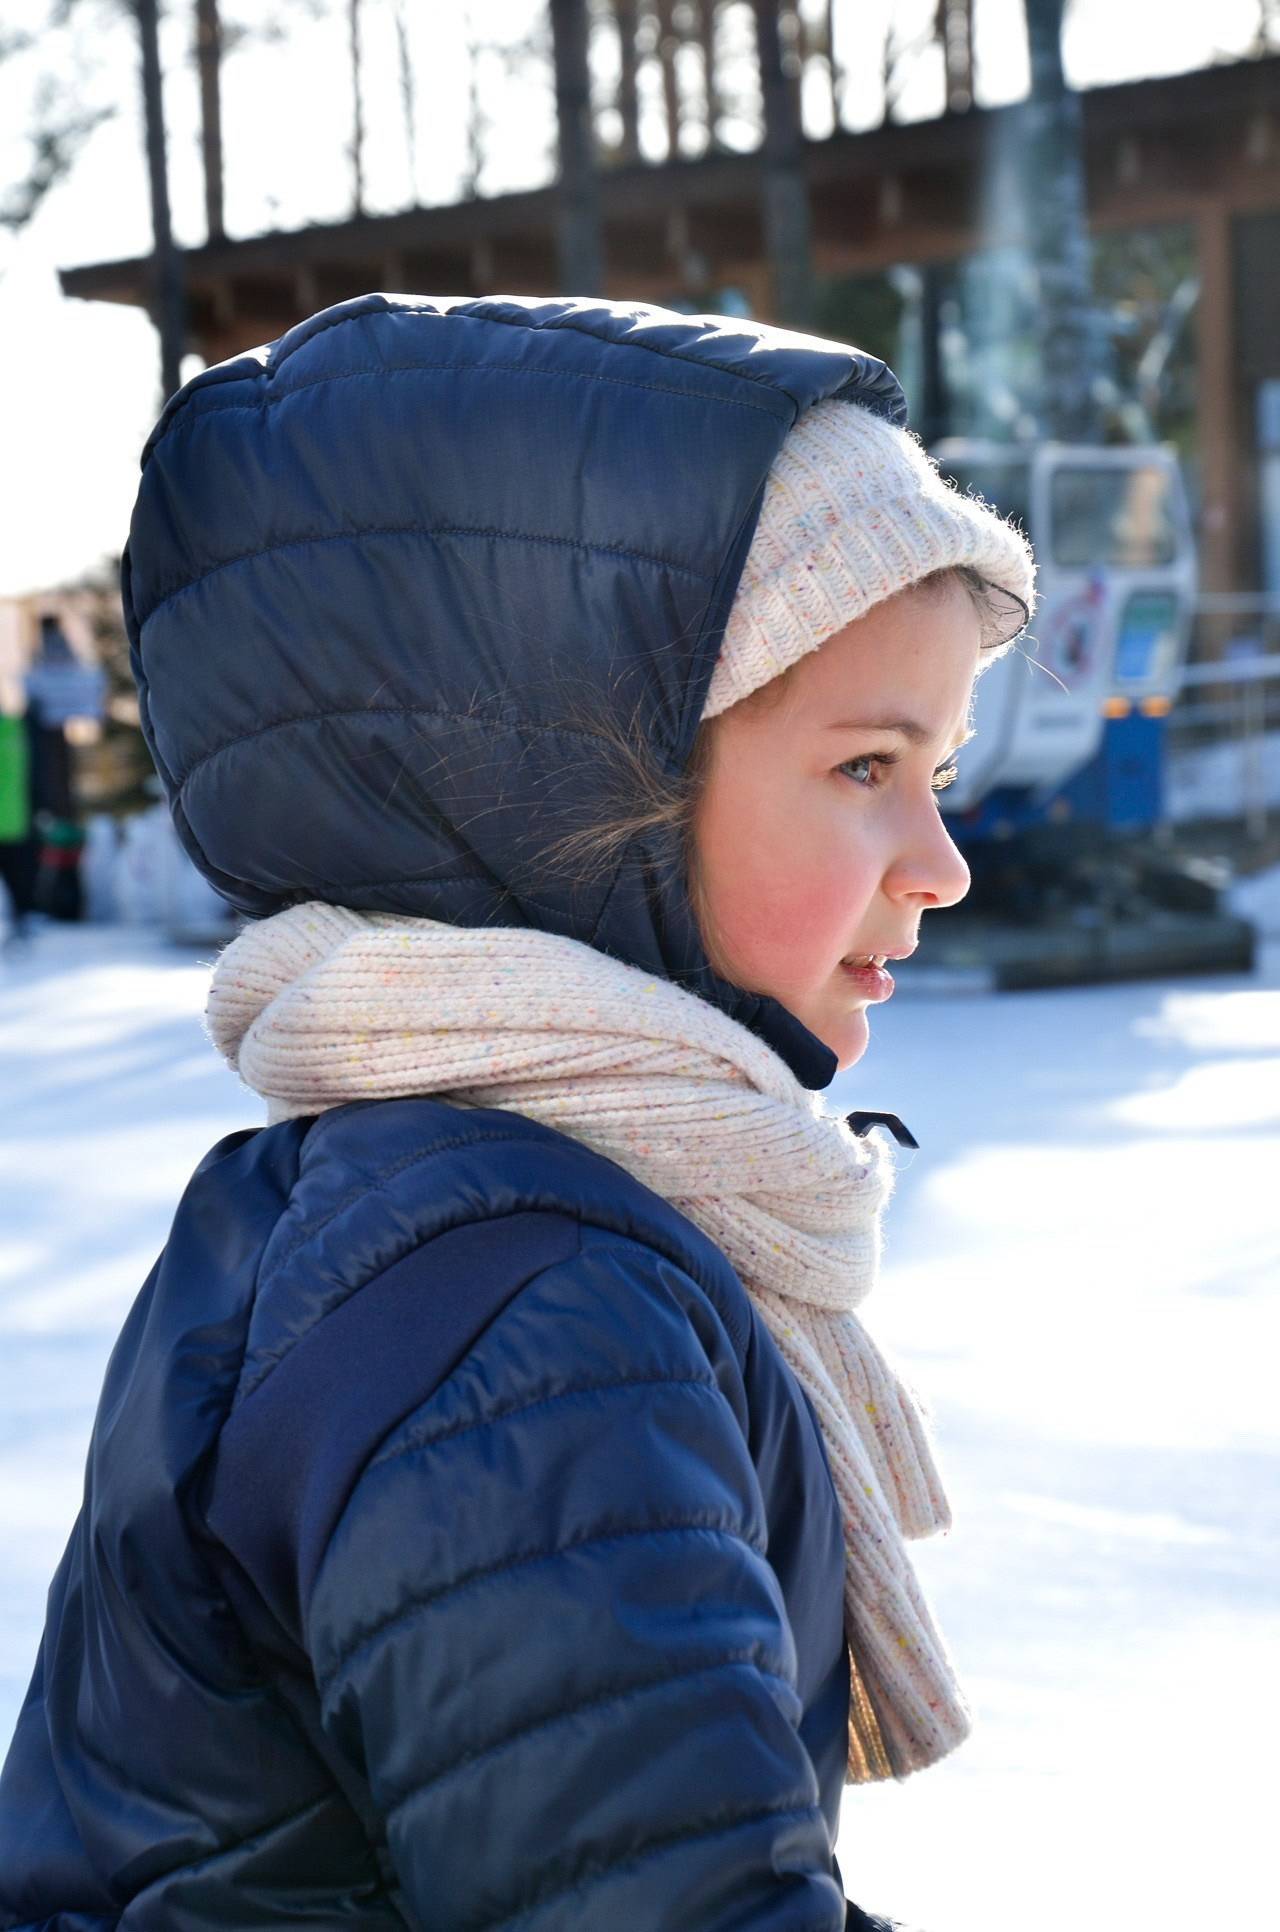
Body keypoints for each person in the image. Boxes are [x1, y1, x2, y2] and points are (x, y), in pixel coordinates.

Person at [0, 296, 1033, 1928]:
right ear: (568, 794)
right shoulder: (531, 1310)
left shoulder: (442, 1198)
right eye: (861, 768)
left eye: (942, 773)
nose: (943, 864)